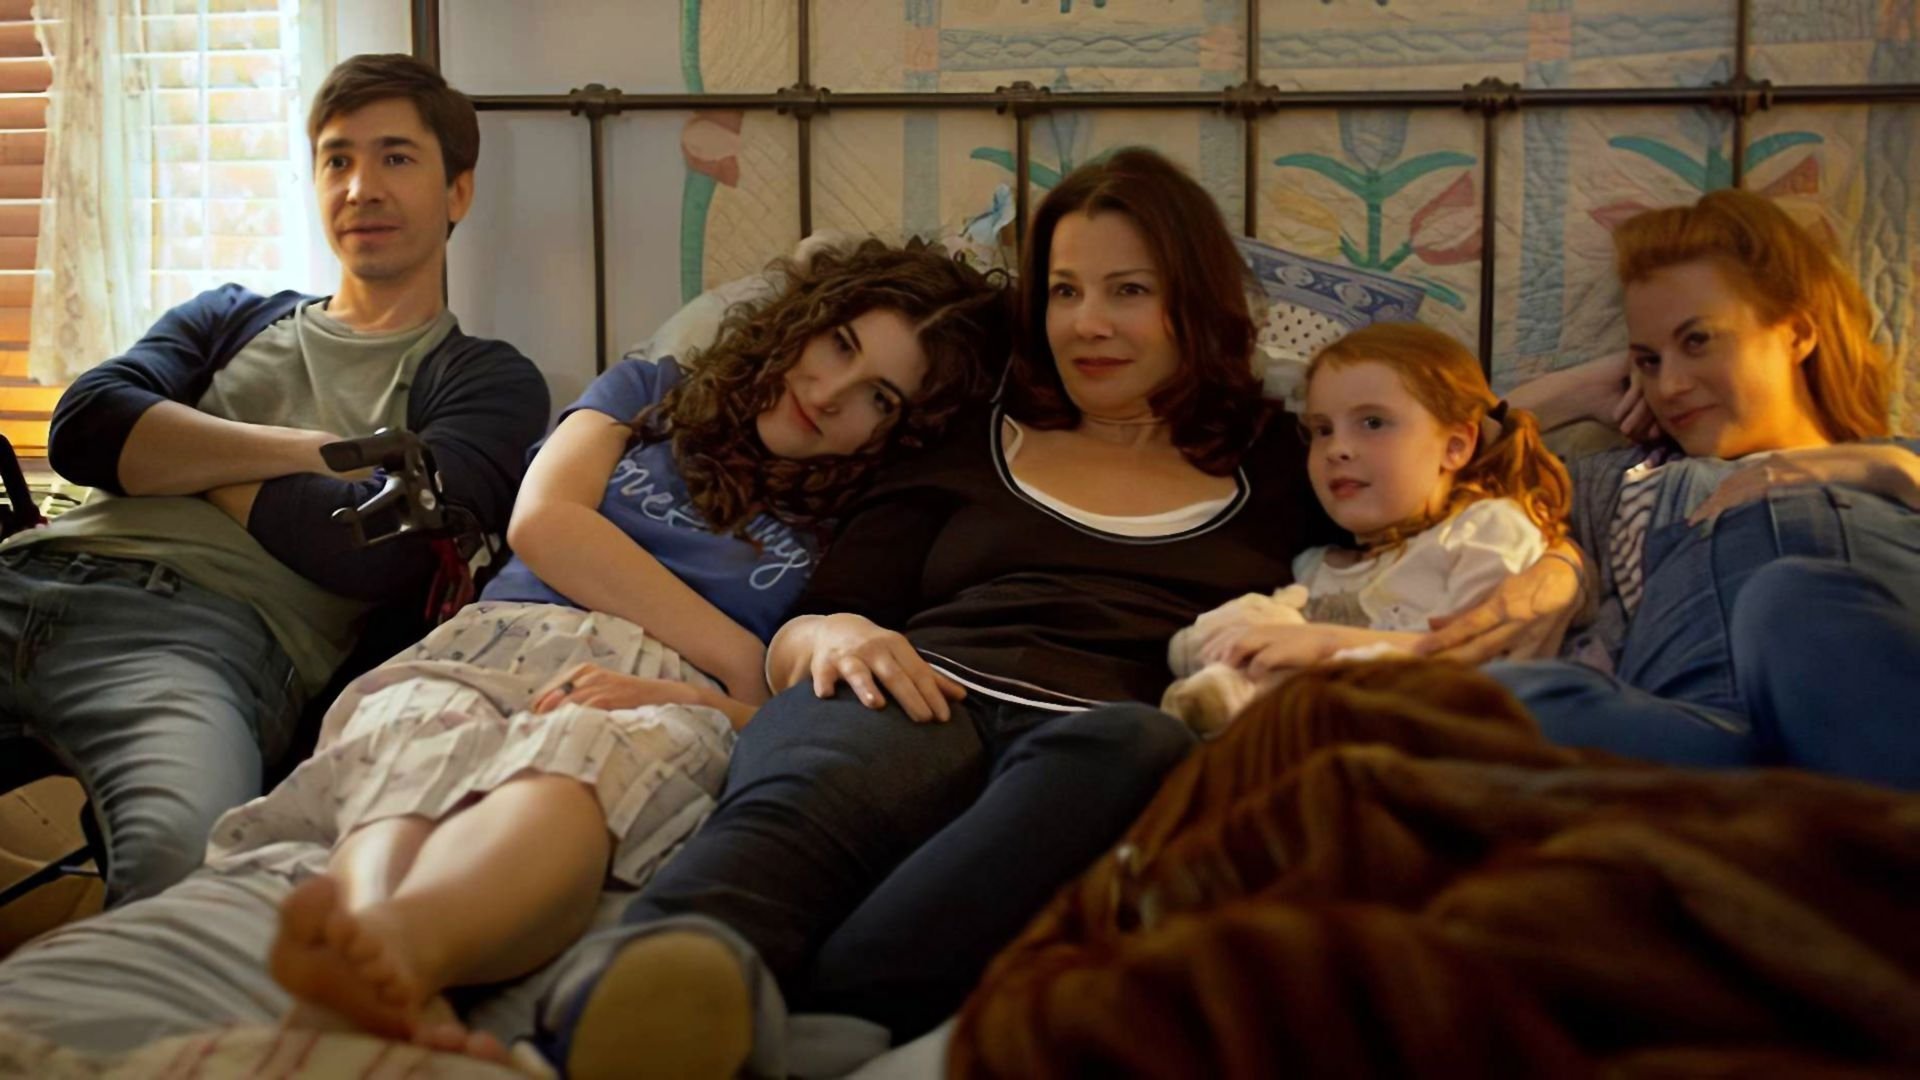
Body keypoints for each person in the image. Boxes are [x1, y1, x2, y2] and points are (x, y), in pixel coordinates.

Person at [529, 147, 1592, 1080]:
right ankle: (640, 979)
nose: (1089, 323)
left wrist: (1559, 569)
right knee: (806, 794)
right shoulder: (965, 431)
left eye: (1129, 290)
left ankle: (826, 1013)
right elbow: (821, 615)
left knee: (1141, 749)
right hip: (914, 686)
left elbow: (1441, 461)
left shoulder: (1285, 455)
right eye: (1065, 291)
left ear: (1194, 302)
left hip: (1098, 731)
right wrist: (836, 635)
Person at [0, 239, 1010, 1060]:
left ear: (902, 431)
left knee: (578, 769)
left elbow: (791, 692)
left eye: (880, 396)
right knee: (410, 731)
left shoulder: (857, 523)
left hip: (659, 690)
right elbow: (545, 524)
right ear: (801, 321)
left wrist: (721, 697)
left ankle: (403, 950)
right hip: (497, 633)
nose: (831, 392)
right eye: (838, 343)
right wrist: (738, 654)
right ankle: (365, 940)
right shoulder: (651, 389)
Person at [0, 54, 550, 904]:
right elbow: (85, 428)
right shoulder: (227, 316)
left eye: (396, 157)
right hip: (27, 573)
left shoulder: (486, 379)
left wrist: (172, 463)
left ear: (458, 191)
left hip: (199, 641)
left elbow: (378, 550)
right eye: (337, 159)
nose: (361, 187)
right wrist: (310, 453)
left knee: (184, 867)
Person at [1491, 188, 1920, 787]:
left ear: (1797, 333)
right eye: (1648, 360)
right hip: (1702, 738)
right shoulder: (1624, 479)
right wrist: (1572, 394)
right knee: (1508, 696)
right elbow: (1419, 472)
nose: (1669, 386)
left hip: (1874, 703)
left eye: (1697, 341)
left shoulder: (1902, 458)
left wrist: (1881, 469)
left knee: (1789, 600)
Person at [1162, 321, 1572, 734]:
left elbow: (1479, 661)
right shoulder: (1316, 568)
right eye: (1322, 430)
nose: (1337, 449)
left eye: (1373, 423)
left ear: (1455, 446)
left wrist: (1326, 644)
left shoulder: (1486, 531)